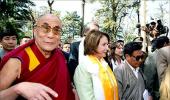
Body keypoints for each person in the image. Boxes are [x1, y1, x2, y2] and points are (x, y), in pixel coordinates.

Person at [0, 14, 75, 100]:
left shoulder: (63, 57)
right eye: (45, 29)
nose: (51, 35)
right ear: (35, 31)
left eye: (56, 30)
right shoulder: (18, 61)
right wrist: (17, 89)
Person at [74, 31, 119, 100]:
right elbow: (87, 97)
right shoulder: (83, 68)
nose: (107, 48)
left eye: (107, 44)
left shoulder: (104, 64)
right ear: (93, 45)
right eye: (104, 45)